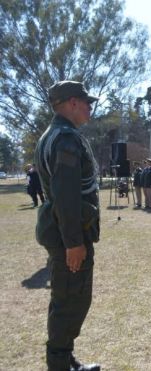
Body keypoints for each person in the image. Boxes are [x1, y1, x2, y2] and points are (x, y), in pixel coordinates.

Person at [34, 80, 101, 370]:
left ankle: (64, 359)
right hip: (69, 234)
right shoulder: (65, 139)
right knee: (70, 301)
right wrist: (74, 242)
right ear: (72, 103)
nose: (90, 107)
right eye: (86, 102)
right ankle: (59, 364)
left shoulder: (57, 134)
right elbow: (66, 194)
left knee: (68, 298)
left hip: (64, 229)